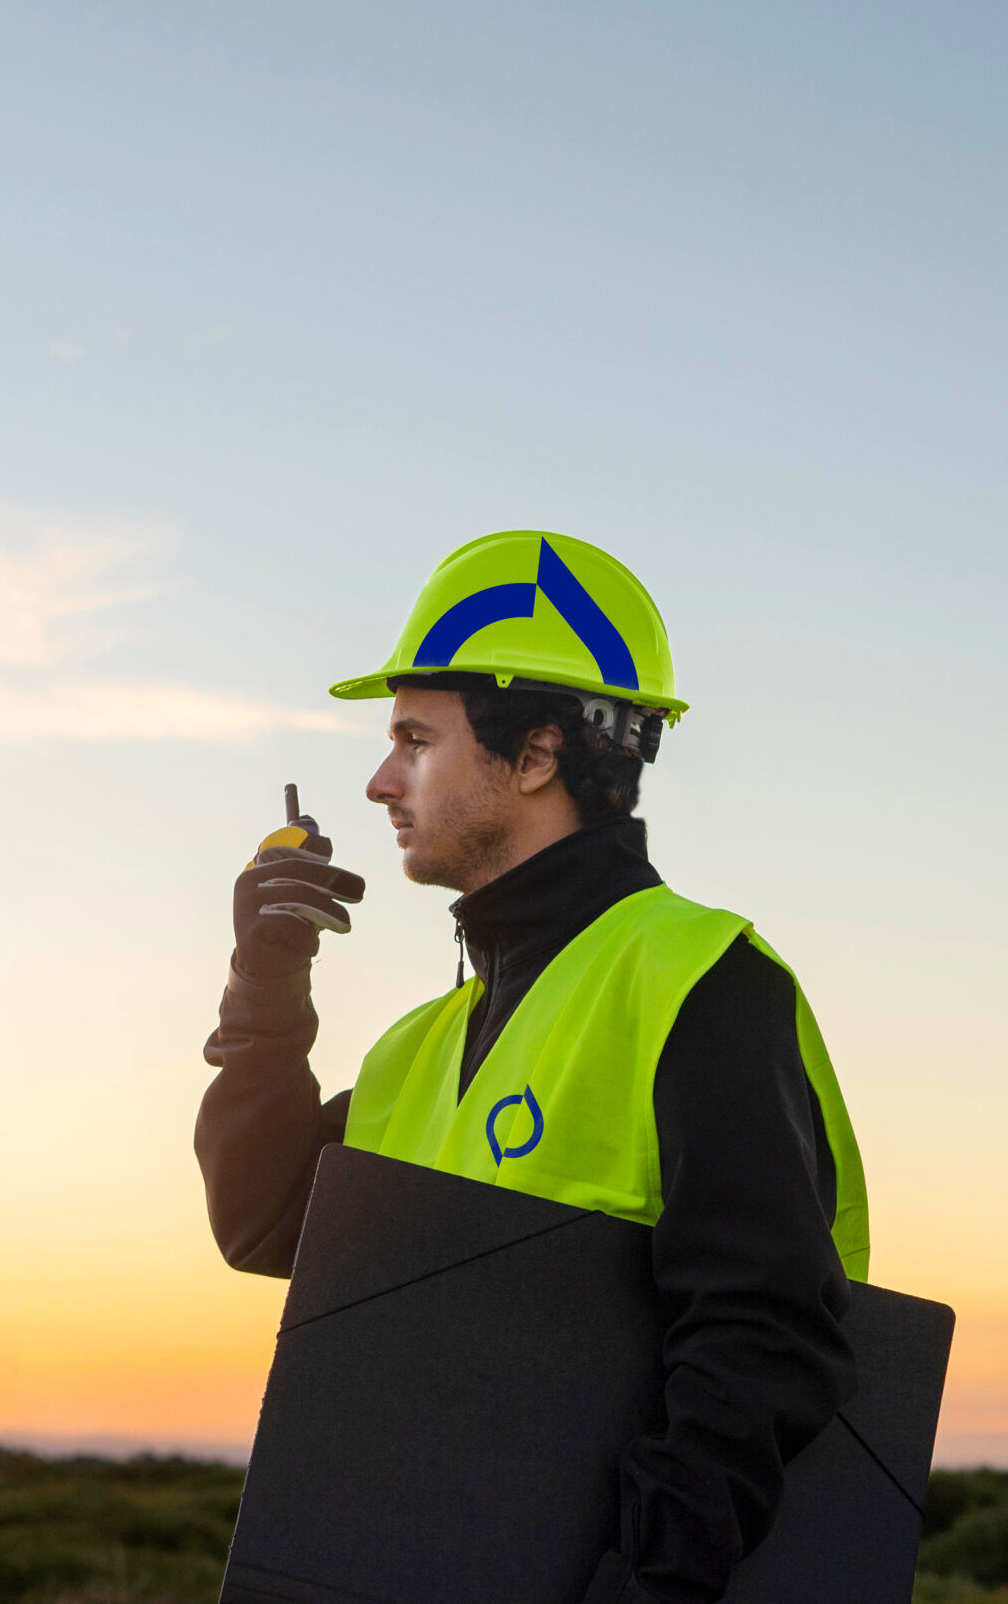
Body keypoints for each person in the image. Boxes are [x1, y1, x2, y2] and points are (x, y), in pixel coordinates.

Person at [195, 530, 867, 1604]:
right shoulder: (424, 1044)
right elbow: (263, 1224)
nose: (376, 782)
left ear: (536, 755)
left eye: (414, 738)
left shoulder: (700, 980)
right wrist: (265, 987)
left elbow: (762, 1343)